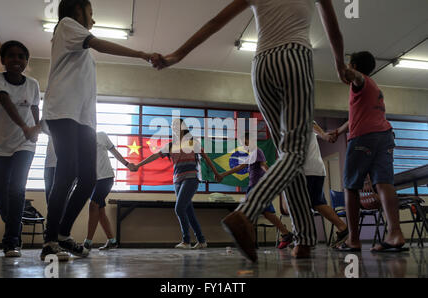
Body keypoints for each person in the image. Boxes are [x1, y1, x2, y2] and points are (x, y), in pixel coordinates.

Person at [151, 0, 347, 261]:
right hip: (294, 57)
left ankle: (305, 240)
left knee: (288, 157)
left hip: (261, 65)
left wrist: (177, 55)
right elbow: (331, 24)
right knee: (296, 153)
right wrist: (339, 63)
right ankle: (247, 213)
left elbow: (215, 22)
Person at [40, 0, 159, 261]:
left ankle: (62, 234)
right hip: (62, 112)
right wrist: (140, 54)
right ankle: (50, 240)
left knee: (88, 178)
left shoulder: (76, 43)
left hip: (83, 120)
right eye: (90, 14)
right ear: (77, 10)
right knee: (67, 171)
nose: (92, 20)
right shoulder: (66, 25)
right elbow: (97, 42)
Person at [329, 51, 406, 252]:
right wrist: (338, 131)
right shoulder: (373, 87)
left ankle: (353, 239)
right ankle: (395, 234)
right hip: (385, 136)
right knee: (383, 183)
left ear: (354, 65)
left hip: (364, 138)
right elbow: (355, 117)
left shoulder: (361, 81)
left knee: (350, 186)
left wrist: (342, 68)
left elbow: (355, 76)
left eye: (349, 64)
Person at [0, 40, 41, 257]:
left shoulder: (33, 84)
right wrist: (25, 126)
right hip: (0, 142)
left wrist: (35, 130)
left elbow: (35, 107)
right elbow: (5, 101)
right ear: (3, 61)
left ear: (26, 61)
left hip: (24, 144)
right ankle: (15, 228)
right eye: (11, 56)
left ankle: (11, 242)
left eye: (21, 56)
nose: (16, 60)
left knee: (16, 189)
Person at [132, 119, 221, 249]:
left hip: (191, 178)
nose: (175, 128)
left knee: (179, 208)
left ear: (183, 127)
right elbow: (155, 156)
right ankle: (202, 241)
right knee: (188, 211)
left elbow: (205, 157)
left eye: (177, 125)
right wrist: (138, 165)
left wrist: (216, 173)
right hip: (177, 180)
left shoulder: (192, 142)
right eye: (173, 126)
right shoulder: (170, 146)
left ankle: (186, 241)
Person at [216, 133, 294, 249]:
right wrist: (223, 174)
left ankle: (253, 242)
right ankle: (285, 234)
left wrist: (273, 178)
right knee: (266, 213)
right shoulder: (252, 154)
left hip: (258, 187)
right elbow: (239, 167)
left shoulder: (257, 151)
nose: (244, 146)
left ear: (250, 141)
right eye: (243, 144)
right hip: (254, 187)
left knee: (249, 214)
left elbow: (263, 166)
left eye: (244, 143)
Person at [83, 131, 134, 251]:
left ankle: (88, 243)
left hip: (106, 178)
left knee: (93, 205)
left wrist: (127, 164)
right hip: (92, 181)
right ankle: (112, 241)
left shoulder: (101, 135)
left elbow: (114, 152)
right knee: (100, 211)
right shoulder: (79, 140)